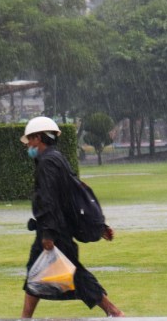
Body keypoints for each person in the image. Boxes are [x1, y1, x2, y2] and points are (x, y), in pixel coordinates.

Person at [20, 116, 123, 318]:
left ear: (39, 137)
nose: (29, 145)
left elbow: (48, 199)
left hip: (54, 230)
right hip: (56, 227)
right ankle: (25, 317)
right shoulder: (57, 158)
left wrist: (48, 234)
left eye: (31, 139)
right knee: (35, 272)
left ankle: (113, 311)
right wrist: (99, 225)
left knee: (75, 274)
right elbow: (75, 195)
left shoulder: (48, 163)